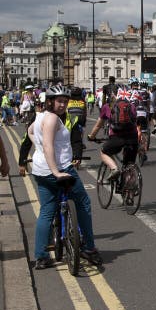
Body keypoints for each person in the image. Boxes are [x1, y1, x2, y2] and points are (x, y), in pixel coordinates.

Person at [29, 85, 100, 269]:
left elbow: (30, 132)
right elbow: (48, 146)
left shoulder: (40, 117)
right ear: (50, 101)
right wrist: (56, 171)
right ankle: (89, 248)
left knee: (46, 211)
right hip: (58, 168)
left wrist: (37, 149)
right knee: (83, 202)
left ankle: (41, 256)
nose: (63, 104)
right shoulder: (52, 119)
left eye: (65, 101)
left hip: (39, 170)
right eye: (59, 101)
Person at [88, 91, 139, 184]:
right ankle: (130, 192)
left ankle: (114, 169)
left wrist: (92, 136)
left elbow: (98, 125)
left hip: (117, 137)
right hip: (133, 138)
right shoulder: (131, 106)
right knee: (129, 165)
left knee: (104, 151)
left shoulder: (107, 107)